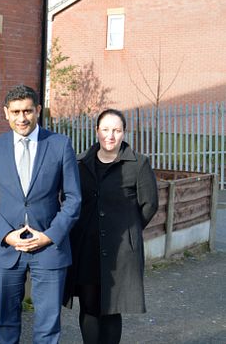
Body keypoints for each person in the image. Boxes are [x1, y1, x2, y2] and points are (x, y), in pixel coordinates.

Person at [0, 84, 81, 344]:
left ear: (38, 110)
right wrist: (6, 235)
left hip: (49, 249)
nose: (22, 118)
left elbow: (73, 198)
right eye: (15, 112)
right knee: (6, 324)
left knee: (48, 326)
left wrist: (50, 236)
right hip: (7, 249)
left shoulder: (59, 144)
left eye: (27, 111)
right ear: (6, 113)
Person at [63, 109, 159, 344]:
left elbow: (149, 206)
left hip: (120, 252)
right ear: (97, 131)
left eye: (116, 130)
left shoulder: (138, 164)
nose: (110, 136)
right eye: (105, 129)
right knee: (89, 306)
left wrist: (127, 231)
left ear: (124, 132)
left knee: (111, 308)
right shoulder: (80, 163)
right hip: (86, 248)